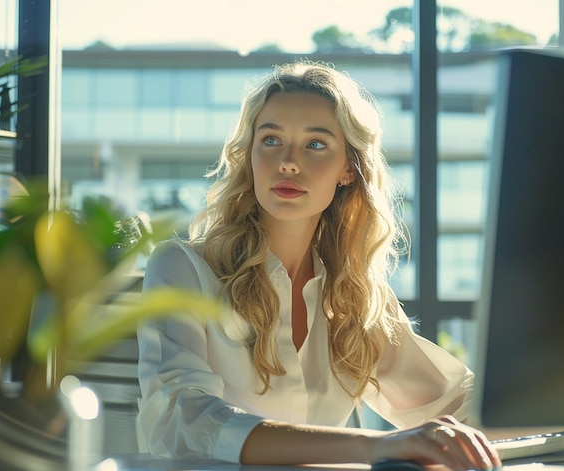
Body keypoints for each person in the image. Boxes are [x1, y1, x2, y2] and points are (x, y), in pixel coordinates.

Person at [137, 61, 501, 470]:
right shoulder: (183, 268)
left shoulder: (354, 297)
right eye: (271, 139)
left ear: (349, 168)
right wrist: (375, 446)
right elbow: (181, 417)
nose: (288, 163)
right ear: (250, 154)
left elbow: (459, 406)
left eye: (315, 144)